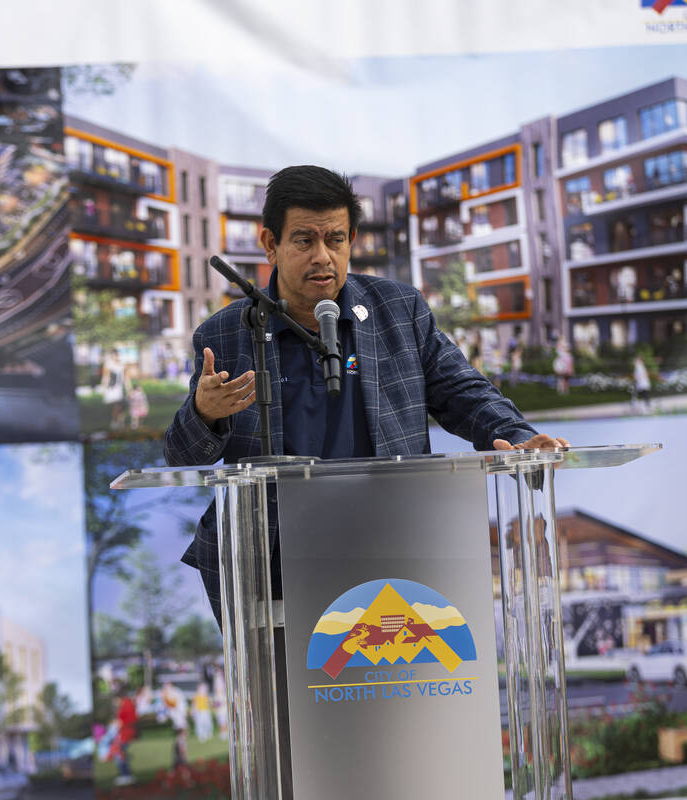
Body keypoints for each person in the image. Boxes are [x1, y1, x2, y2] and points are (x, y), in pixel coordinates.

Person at [163, 165, 567, 625]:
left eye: (335, 239)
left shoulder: (398, 310)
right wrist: (204, 413)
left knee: (397, 670)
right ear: (270, 244)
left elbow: (463, 390)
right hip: (268, 564)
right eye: (304, 241)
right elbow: (179, 455)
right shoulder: (225, 333)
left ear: (351, 240)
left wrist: (517, 435)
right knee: (287, 675)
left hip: (392, 548)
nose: (323, 257)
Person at [99, 349, 126, 430]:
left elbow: (124, 376)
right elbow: (106, 376)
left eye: (116, 355)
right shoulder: (108, 364)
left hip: (120, 387)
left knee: (121, 406)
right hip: (112, 387)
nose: (115, 357)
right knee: (116, 406)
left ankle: (120, 421)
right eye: (113, 355)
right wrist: (104, 386)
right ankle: (114, 422)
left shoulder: (121, 364)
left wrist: (127, 386)